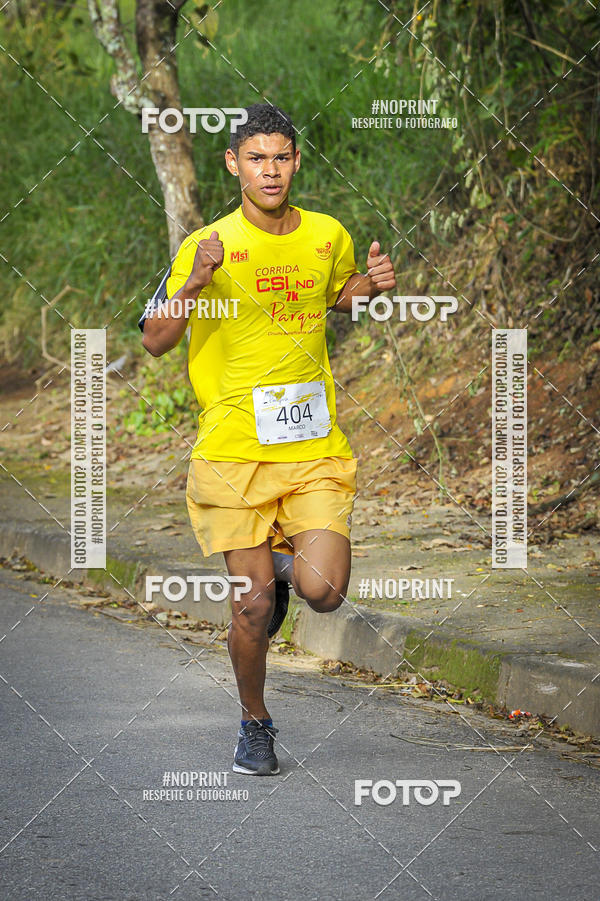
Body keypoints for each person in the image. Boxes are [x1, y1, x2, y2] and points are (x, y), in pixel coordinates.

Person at [140, 103, 396, 775]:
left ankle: (282, 564)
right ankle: (256, 722)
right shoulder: (207, 244)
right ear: (234, 164)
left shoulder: (326, 233)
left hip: (312, 451)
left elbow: (340, 293)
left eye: (281, 156)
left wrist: (371, 288)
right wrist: (194, 282)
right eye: (257, 158)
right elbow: (154, 339)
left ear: (296, 161)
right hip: (231, 454)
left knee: (325, 592)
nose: (271, 169)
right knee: (252, 604)